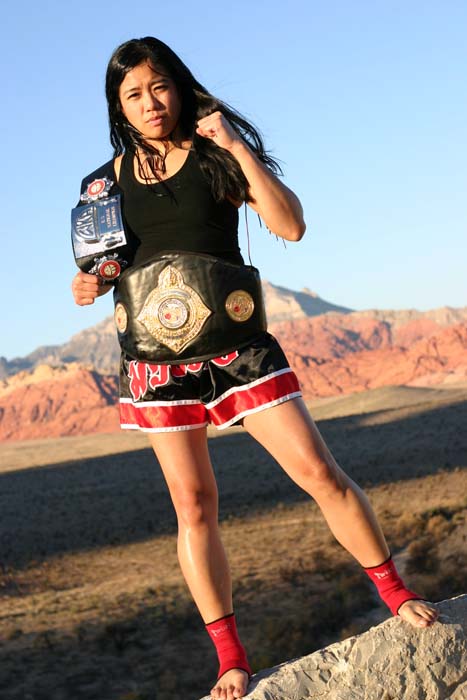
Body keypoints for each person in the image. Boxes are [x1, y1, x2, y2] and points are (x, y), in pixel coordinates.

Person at [71, 36, 438, 700]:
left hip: (238, 347)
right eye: (134, 94)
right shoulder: (101, 185)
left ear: (178, 86)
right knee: (194, 505)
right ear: (117, 106)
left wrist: (238, 147)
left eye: (159, 86)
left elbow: (290, 227)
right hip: (156, 363)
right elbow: (103, 268)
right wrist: (88, 285)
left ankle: (395, 593)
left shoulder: (214, 153)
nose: (150, 103)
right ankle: (230, 660)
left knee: (317, 471)